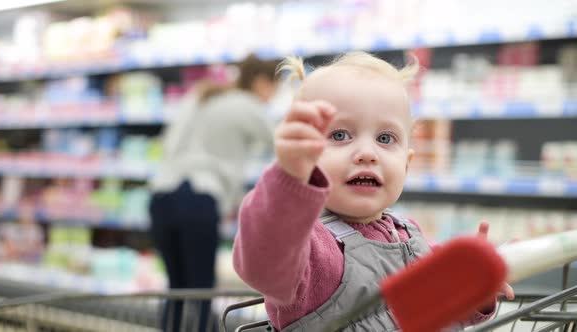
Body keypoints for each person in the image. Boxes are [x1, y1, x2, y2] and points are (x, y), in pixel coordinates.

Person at [232, 51, 515, 331]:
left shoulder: (413, 237)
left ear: (407, 163)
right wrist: (290, 179)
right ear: (307, 156)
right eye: (340, 135)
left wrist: (474, 287)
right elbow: (264, 261)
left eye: (385, 138)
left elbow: (439, 311)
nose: (367, 153)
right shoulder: (310, 249)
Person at [148, 55, 279, 332]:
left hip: (161, 196)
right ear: (261, 82)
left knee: (177, 289)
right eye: (274, 88)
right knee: (202, 290)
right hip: (198, 198)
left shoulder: (202, 96)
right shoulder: (248, 105)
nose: (273, 97)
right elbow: (284, 145)